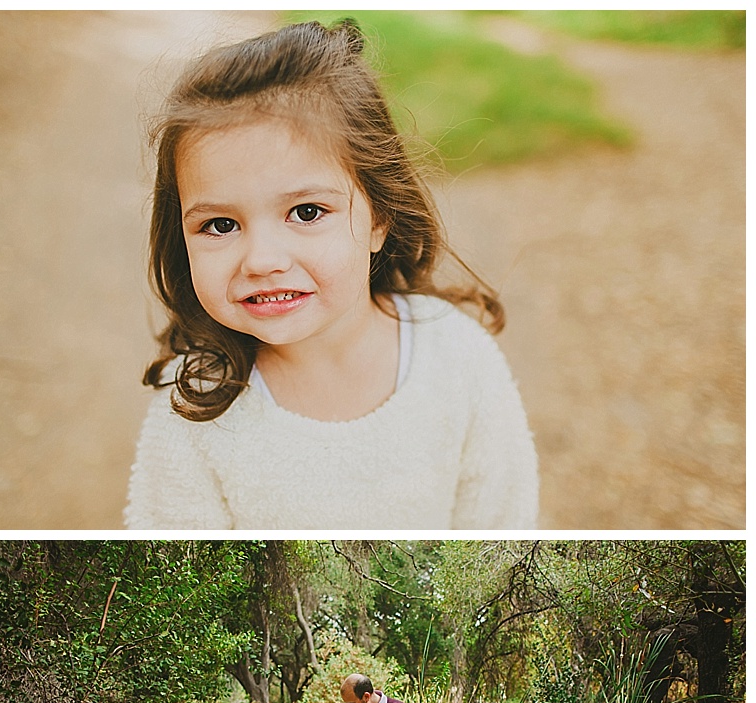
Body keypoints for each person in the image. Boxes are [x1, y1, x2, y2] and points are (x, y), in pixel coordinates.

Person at [124, 18, 538, 530]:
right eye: (220, 224)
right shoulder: (195, 405)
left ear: (378, 219)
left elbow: (503, 526)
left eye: (306, 213)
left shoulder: (458, 357)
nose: (261, 260)